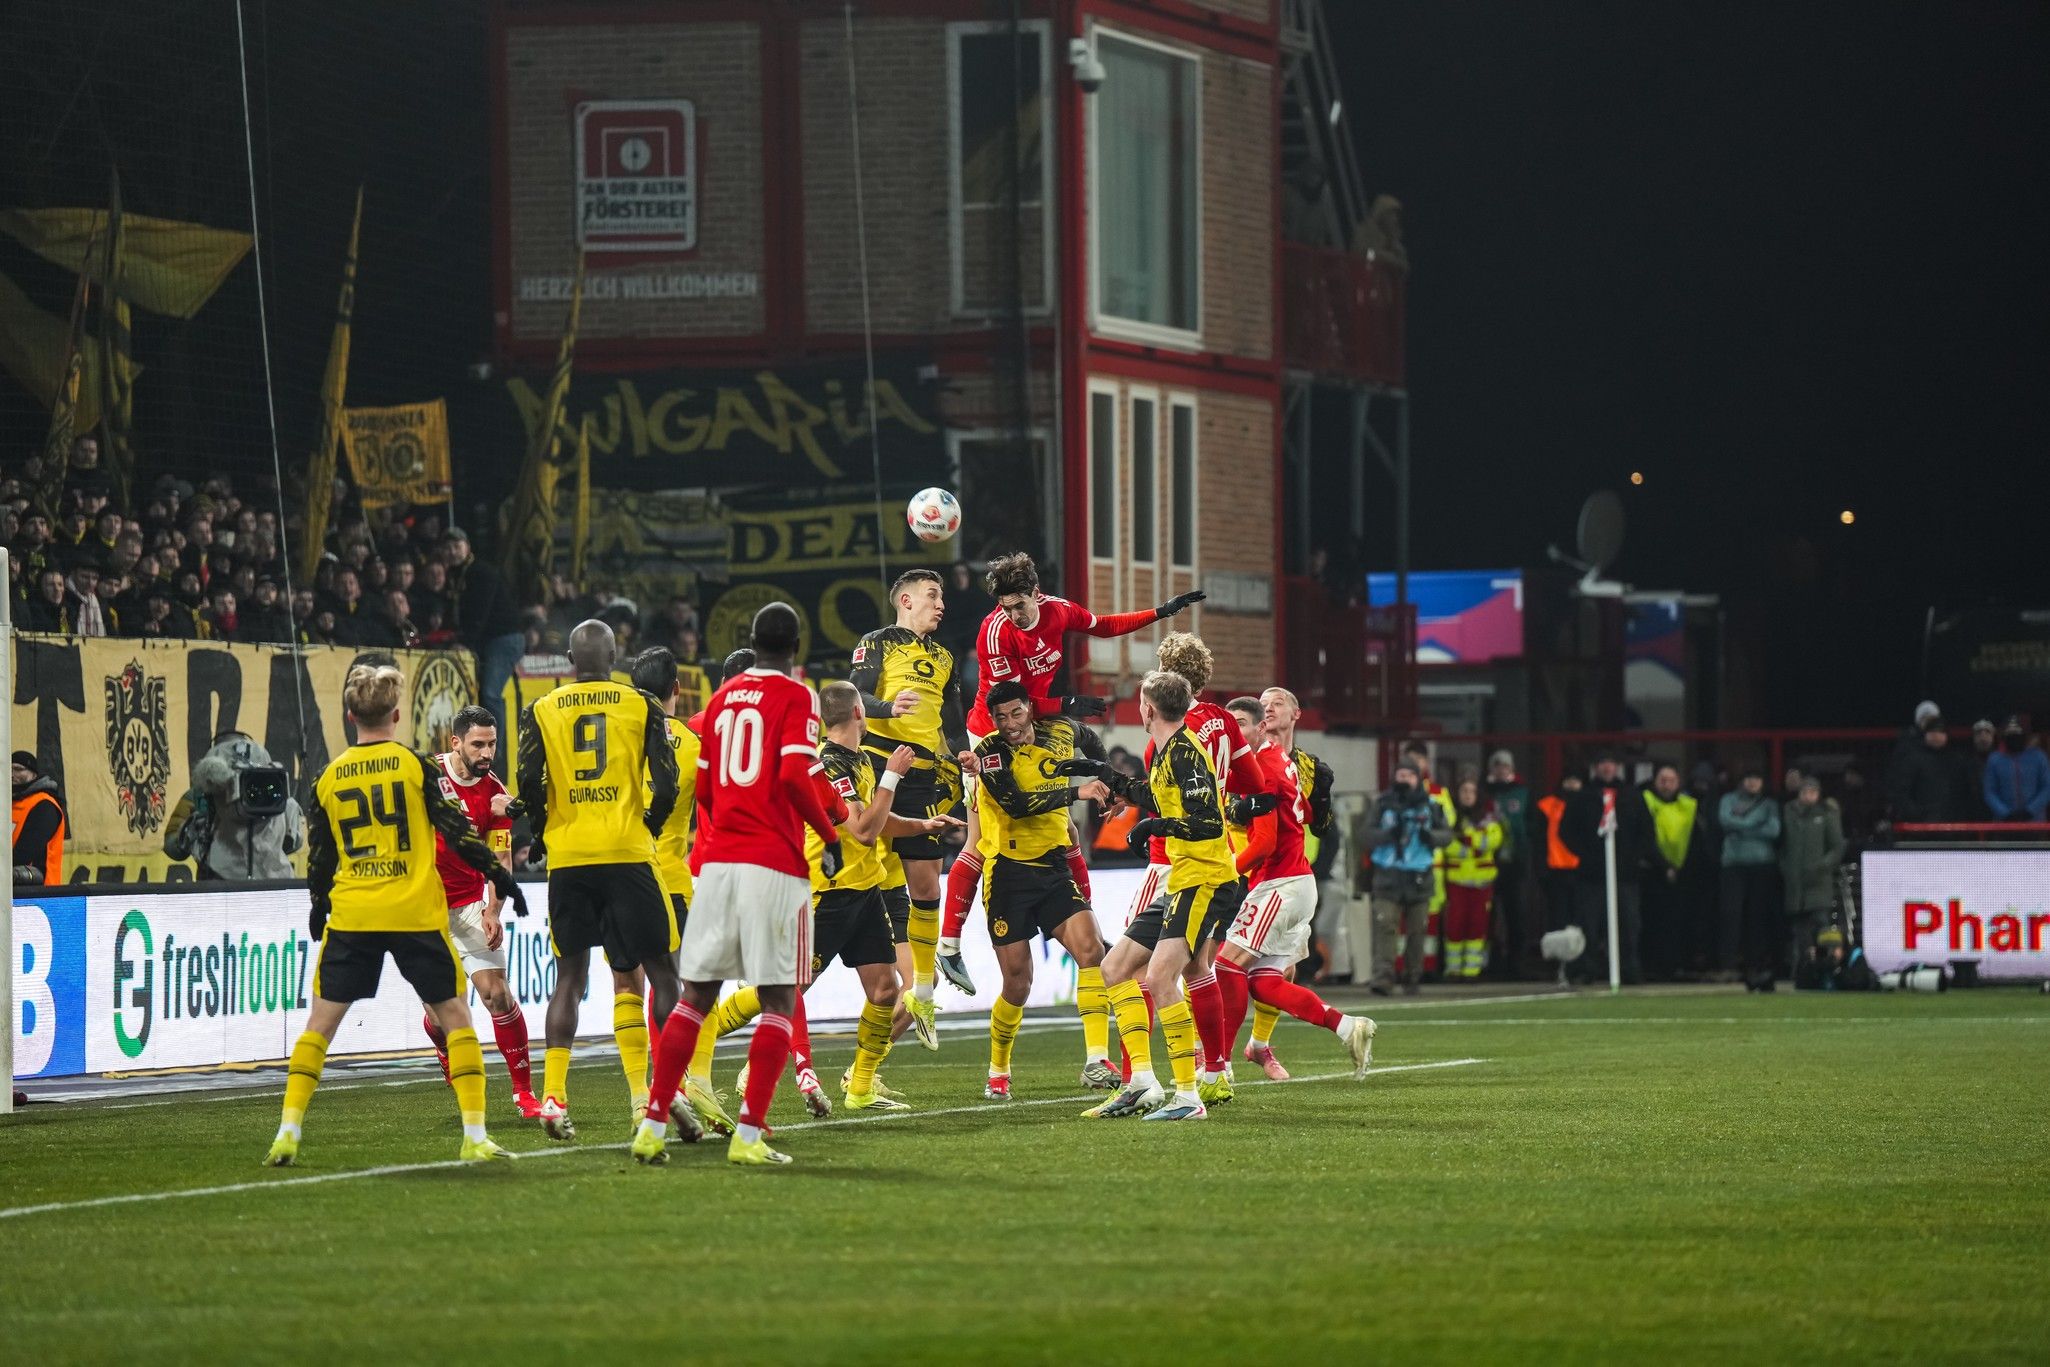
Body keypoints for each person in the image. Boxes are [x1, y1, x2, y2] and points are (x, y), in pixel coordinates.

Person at [265, 664, 527, 1166]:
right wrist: (506, 883)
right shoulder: (415, 767)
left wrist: (319, 906)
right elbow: (458, 830)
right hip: (413, 910)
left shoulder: (328, 777)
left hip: (354, 914)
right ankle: (474, 1136)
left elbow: (320, 857)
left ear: (349, 716)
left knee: (318, 1027)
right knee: (458, 1020)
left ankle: (288, 1130)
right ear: (398, 713)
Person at [636, 601, 848, 1168]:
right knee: (780, 997)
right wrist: (827, 836)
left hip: (716, 863)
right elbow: (791, 776)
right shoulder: (797, 696)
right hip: (773, 863)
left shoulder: (722, 698)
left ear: (753, 642)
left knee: (696, 997)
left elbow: (704, 788)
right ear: (795, 647)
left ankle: (653, 1121)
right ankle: (750, 1135)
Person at [681, 682, 956, 1112]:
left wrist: (921, 827)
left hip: (864, 892)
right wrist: (893, 776)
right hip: (824, 895)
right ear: (860, 712)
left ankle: (860, 1087)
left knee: (885, 990)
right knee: (784, 990)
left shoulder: (860, 759)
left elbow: (876, 821)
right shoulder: (827, 766)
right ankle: (695, 1042)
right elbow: (862, 831)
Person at [936, 551, 1203, 993]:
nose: (1014, 615)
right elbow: (1009, 706)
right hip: (992, 732)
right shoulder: (994, 633)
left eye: (1019, 605)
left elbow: (1104, 625)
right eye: (1005, 607)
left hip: (1036, 728)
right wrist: (1067, 705)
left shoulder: (1058, 611)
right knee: (981, 840)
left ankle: (1089, 925)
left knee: (1069, 837)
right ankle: (948, 946)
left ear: (1036, 595)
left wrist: (1160, 612)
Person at [516, 619, 688, 1144]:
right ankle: (667, 1091)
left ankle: (553, 1095)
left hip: (570, 857)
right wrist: (648, 827)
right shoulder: (642, 707)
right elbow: (667, 781)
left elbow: (527, 782)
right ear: (615, 656)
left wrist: (545, 834)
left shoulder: (541, 710)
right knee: (662, 975)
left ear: (569, 657)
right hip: (628, 852)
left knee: (569, 979)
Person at [1079, 671, 1237, 1121]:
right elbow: (1158, 797)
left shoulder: (1185, 753)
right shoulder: (1171, 751)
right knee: (1114, 967)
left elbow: (1208, 823)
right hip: (1182, 880)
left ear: (1148, 709)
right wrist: (1106, 775)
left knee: (1161, 979)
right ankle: (1143, 1084)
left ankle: (1188, 1098)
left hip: (1205, 880)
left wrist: (1156, 826)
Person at [1209, 687, 1368, 1086]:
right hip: (1290, 882)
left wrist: (1222, 870)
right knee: (1264, 983)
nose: (1232, 732)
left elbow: (1265, 840)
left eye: (1240, 724)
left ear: (1264, 726)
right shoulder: (1279, 759)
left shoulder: (1263, 767)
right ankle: (1347, 1026)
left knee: (1225, 965)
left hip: (1277, 883)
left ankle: (1217, 1065)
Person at [969, 680, 1114, 1100]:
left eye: (1016, 713)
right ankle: (999, 1068)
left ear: (1030, 708)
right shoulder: (989, 754)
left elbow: (1089, 738)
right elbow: (1016, 802)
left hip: (1053, 868)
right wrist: (1078, 791)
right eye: (1000, 717)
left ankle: (1096, 1059)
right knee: (1018, 983)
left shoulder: (1059, 730)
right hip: (1008, 874)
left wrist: (1110, 780)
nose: (1010, 724)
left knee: (1092, 951)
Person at [847, 568, 971, 1049]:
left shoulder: (943, 656)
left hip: (922, 775)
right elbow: (853, 694)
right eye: (932, 596)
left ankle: (921, 989)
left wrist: (961, 751)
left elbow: (952, 717)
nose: (941, 604)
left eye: (941, 597)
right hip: (878, 765)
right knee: (865, 865)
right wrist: (885, 708)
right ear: (905, 600)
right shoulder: (877, 642)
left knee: (926, 884)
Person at [415, 706, 538, 1119]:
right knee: (443, 1012)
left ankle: (524, 1094)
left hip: (469, 904)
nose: (487, 753)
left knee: (497, 995)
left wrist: (493, 908)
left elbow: (501, 857)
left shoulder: (494, 791)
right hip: (423, 909)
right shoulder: (423, 779)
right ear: (455, 743)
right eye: (478, 745)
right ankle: (438, 1038)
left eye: (492, 744)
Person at [162, 733, 304, 881]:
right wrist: (197, 830)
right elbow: (173, 847)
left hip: (246, 886)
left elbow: (173, 848)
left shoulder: (275, 793)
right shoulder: (200, 796)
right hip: (245, 883)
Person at [1362, 756, 1451, 994]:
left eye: (1409, 776)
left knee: (1417, 931)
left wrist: (1430, 837)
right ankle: (1383, 979)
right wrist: (1388, 834)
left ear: (1418, 779)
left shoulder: (1431, 805)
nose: (1404, 780)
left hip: (1418, 878)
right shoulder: (1382, 804)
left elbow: (1447, 835)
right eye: (1400, 775)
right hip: (1388, 877)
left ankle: (1412, 978)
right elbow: (1366, 835)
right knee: (1385, 928)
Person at [1563, 754, 1653, 984]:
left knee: (1629, 924)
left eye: (1611, 763)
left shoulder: (1632, 796)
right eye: (1602, 763)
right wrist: (1587, 855)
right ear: (1596, 767)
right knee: (1589, 925)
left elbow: (1646, 831)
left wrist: (1632, 859)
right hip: (1591, 876)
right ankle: (1588, 969)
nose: (1607, 767)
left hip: (1625, 875)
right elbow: (1567, 831)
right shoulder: (1583, 797)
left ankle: (1629, 969)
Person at [444, 527, 526, 742]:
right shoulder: (456, 575)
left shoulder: (480, 572)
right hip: (487, 640)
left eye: (457, 546)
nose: (452, 551)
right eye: (448, 548)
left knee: (490, 693)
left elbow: (481, 610)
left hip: (504, 639)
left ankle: (494, 751)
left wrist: (465, 642)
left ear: (467, 547)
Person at [1639, 762, 1703, 979]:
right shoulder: (1645, 801)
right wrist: (1663, 865)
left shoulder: (1689, 805)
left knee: (1677, 922)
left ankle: (1675, 966)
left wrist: (1680, 869)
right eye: (1662, 780)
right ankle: (1652, 967)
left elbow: (1695, 840)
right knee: (1651, 922)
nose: (1667, 785)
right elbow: (1644, 838)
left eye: (1671, 781)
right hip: (1652, 871)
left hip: (1681, 873)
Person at [1716, 769, 1782, 980]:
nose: (1753, 783)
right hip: (1733, 865)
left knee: (1757, 916)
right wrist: (1756, 825)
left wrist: (1741, 828)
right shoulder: (1728, 800)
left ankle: (1755, 965)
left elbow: (1773, 831)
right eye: (1750, 779)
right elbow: (1725, 821)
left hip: (1762, 866)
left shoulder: (1770, 804)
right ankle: (1728, 964)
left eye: (1757, 779)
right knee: (1730, 915)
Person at [1779, 775, 1844, 980]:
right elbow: (1782, 846)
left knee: (1823, 925)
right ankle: (1802, 971)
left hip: (1819, 883)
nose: (1809, 796)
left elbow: (1837, 847)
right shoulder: (1788, 814)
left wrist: (1822, 867)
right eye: (1805, 792)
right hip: (1795, 885)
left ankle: (1830, 968)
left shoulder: (1826, 815)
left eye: (1813, 792)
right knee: (1800, 931)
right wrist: (1786, 868)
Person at [1442, 772, 1505, 980]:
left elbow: (1493, 840)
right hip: (1456, 880)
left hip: (1482, 882)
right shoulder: (1451, 816)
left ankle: (1472, 970)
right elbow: (1446, 843)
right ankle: (1453, 969)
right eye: (1464, 791)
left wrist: (1468, 839)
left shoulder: (1488, 817)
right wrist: (1471, 844)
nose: (1468, 796)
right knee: (1455, 925)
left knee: (1478, 926)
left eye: (1472, 791)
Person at [1481, 750, 1531, 977]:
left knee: (1516, 917)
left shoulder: (1523, 794)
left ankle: (1516, 965)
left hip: (1515, 865)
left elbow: (1531, 828)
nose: (1501, 770)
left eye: (1505, 766)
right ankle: (1489, 965)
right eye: (1497, 766)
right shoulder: (1483, 793)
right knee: (1486, 918)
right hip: (1485, 864)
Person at [1887, 709, 1975, 823]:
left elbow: (1965, 793)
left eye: (1940, 732)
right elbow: (1901, 793)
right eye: (1932, 731)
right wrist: (1916, 814)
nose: (1936, 736)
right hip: (1921, 825)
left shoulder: (1957, 761)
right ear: (1925, 734)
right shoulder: (1913, 760)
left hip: (1952, 824)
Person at [1535, 772, 1583, 935]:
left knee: (1580, 919)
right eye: (1568, 780)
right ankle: (1558, 958)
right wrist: (1541, 869)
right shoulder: (1547, 805)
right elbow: (1539, 840)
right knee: (1557, 920)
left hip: (1581, 871)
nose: (1571, 785)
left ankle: (1580, 958)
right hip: (1555, 871)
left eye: (1575, 780)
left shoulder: (1589, 804)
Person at [10, 752, 67, 886]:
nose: (11, 774)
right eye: (8, 769)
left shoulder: (45, 805)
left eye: (18, 769)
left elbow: (24, 853)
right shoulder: (9, 802)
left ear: (34, 774)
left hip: (40, 892)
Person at [1982, 716, 2050, 822]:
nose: (2014, 739)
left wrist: (2030, 810)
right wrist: (2005, 813)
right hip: (2003, 822)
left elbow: (2046, 788)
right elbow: (1990, 791)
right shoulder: (1995, 759)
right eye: (2010, 735)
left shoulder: (2038, 757)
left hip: (2034, 822)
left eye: (2018, 734)